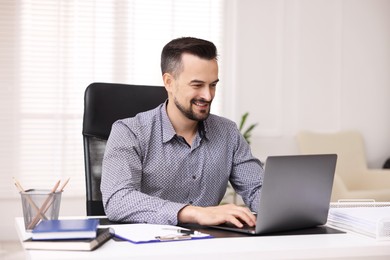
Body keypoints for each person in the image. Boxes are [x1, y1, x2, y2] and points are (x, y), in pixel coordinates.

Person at [101, 37, 264, 228]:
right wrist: (194, 213)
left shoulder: (228, 133)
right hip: (148, 248)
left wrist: (293, 205)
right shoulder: (130, 132)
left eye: (213, 85)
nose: (208, 95)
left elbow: (257, 189)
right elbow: (117, 199)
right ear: (169, 82)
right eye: (197, 85)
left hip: (210, 246)